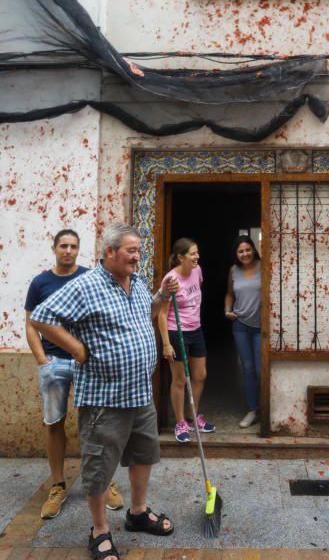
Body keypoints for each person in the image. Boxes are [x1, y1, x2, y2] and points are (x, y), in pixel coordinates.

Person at [30, 223, 178, 560]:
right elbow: (41, 317)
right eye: (131, 251)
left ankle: (138, 513)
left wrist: (163, 295)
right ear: (110, 251)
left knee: (143, 454)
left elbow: (147, 312)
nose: (137, 257)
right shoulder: (86, 285)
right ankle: (99, 530)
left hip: (140, 393)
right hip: (103, 399)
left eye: (138, 250)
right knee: (99, 466)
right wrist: (77, 350)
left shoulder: (137, 282)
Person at [25, 229, 123, 520]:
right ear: (54, 248)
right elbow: (31, 324)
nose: (68, 251)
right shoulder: (40, 282)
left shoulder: (89, 278)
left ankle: (105, 482)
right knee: (54, 423)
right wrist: (43, 361)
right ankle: (57, 486)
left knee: (97, 425)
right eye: (63, 246)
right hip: (54, 362)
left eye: (73, 246)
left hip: (87, 365)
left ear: (79, 250)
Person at [158, 238, 215, 443]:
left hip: (195, 329)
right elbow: (162, 314)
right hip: (176, 332)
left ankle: (192, 416)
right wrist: (166, 343)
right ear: (180, 257)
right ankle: (180, 422)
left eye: (197, 253)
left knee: (200, 375)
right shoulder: (171, 280)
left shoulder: (197, 271)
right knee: (180, 379)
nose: (197, 257)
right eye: (192, 254)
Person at [224, 235, 262, 428]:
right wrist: (227, 311)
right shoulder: (233, 270)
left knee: (260, 368)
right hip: (240, 325)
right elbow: (230, 294)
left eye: (248, 250)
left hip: (260, 327)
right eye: (240, 251)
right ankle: (252, 410)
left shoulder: (264, 267)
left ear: (254, 249)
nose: (245, 254)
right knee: (247, 369)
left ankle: (268, 407)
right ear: (236, 254)